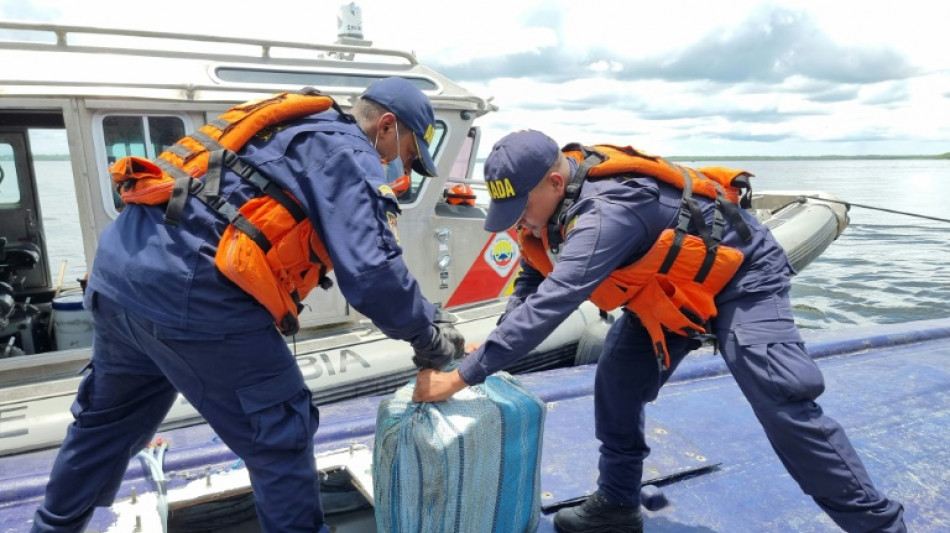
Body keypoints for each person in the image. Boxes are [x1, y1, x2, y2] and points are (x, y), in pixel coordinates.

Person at [413, 130, 906, 533]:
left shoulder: (608, 211)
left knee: (781, 396)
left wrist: (461, 377)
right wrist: (497, 332)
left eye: (521, 205)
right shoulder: (544, 213)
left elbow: (556, 299)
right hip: (671, 292)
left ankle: (879, 527)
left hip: (741, 278)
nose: (517, 218)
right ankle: (618, 504)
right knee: (617, 384)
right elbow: (533, 275)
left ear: (555, 180)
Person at [31, 77, 463, 533]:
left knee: (106, 424)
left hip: (118, 277)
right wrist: (427, 333)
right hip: (194, 294)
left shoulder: (293, 126)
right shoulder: (351, 152)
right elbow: (373, 272)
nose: (401, 164)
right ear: (388, 126)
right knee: (279, 432)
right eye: (409, 152)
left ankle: (51, 528)